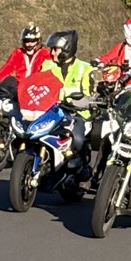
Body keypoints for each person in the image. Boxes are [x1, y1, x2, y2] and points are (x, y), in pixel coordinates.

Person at [41, 30, 94, 179]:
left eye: (55, 49)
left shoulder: (85, 68)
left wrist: (71, 99)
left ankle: (78, 166)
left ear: (67, 49)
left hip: (76, 113)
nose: (51, 53)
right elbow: (36, 84)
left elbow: (89, 94)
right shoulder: (47, 66)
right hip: (51, 111)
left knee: (77, 139)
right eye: (50, 49)